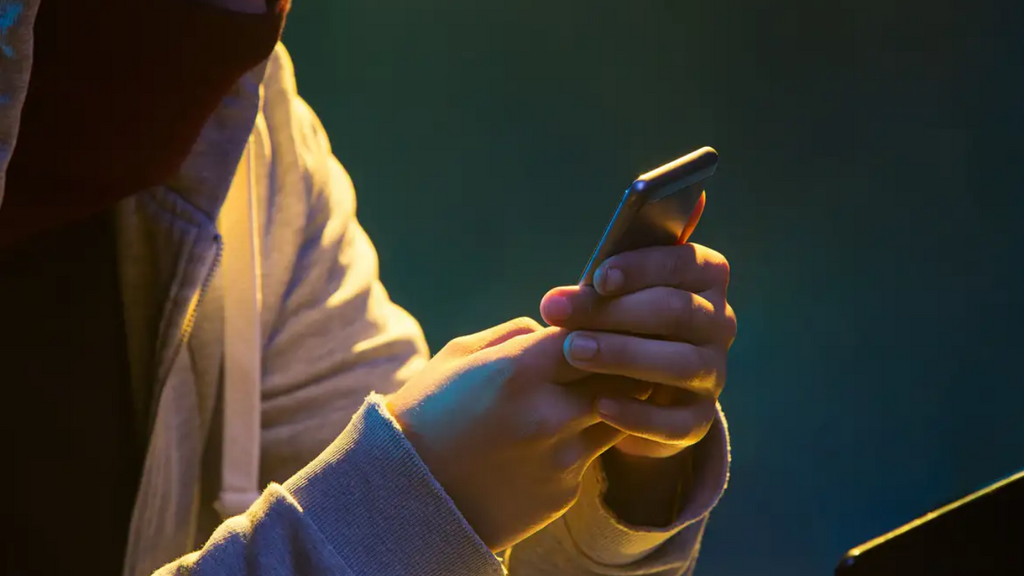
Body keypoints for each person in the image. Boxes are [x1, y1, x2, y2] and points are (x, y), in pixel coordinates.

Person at [0, 1, 735, 575]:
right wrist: (416, 503)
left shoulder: (250, 130)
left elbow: (432, 516)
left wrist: (616, 467)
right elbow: (395, 510)